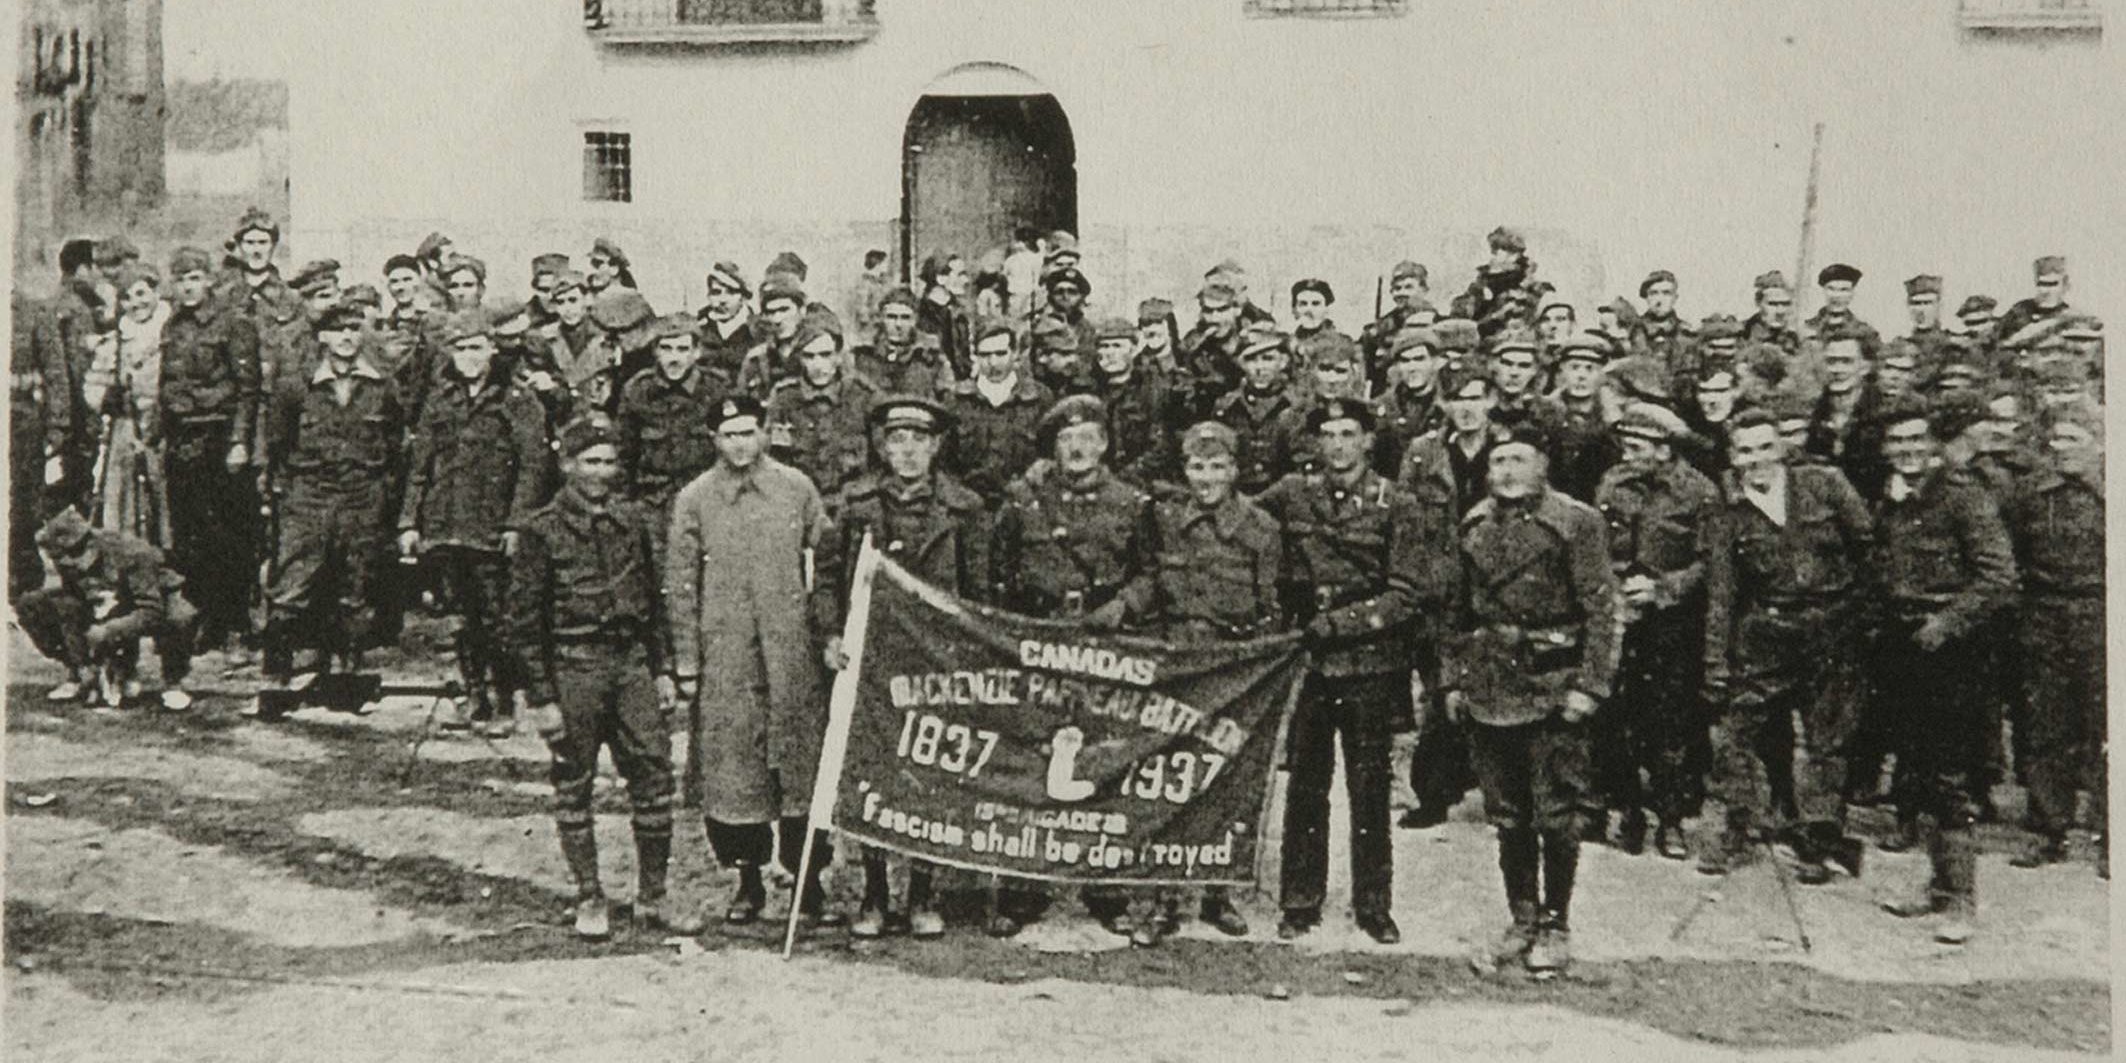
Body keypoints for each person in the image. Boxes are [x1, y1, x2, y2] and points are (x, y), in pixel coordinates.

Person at [1257, 397, 1443, 945]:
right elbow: (1242, 515)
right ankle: (1299, 900)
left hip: (1370, 663)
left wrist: (1341, 624)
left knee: (1369, 790)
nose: (1337, 445)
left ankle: (1373, 904)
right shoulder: (1293, 493)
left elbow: (1407, 594)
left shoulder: (1397, 503)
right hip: (1311, 665)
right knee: (1307, 788)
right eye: (1328, 435)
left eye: (1348, 434)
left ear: (1368, 441)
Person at [507, 414, 698, 941]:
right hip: (574, 668)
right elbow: (522, 624)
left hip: (631, 664)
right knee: (574, 784)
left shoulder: (634, 520)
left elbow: (653, 600)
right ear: (567, 464)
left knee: (654, 779)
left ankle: (653, 897)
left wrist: (661, 668)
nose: (600, 472)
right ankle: (590, 895)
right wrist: (541, 697)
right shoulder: (540, 530)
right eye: (589, 461)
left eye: (609, 461)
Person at [1443, 417, 1619, 976]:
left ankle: (1556, 923)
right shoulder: (1473, 526)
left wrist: (1591, 686)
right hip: (1492, 688)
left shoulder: (1576, 523)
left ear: (1543, 466)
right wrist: (1452, 680)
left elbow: (1601, 609)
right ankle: (1521, 919)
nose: (1508, 471)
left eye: (1520, 459)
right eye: (1499, 461)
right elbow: (1456, 613)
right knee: (1509, 815)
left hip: (1553, 684)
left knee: (1557, 815)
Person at [817, 397, 990, 940]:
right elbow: (825, 579)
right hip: (872, 658)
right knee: (873, 769)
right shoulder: (855, 505)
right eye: (897, 440)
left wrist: (974, 653)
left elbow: (980, 592)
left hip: (938, 661)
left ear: (936, 446)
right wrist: (829, 634)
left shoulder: (964, 509)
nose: (908, 452)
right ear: (882, 447)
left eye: (919, 440)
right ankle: (873, 892)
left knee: (930, 774)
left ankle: (921, 892)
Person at [666, 395, 842, 929]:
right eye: (728, 435)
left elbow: (829, 559)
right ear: (714, 441)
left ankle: (808, 882)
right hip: (727, 658)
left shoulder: (796, 488)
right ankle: (747, 881)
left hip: (793, 655)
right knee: (732, 773)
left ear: (765, 432)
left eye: (748, 432)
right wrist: (688, 661)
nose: (740, 444)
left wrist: (828, 632)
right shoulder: (695, 499)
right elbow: (680, 586)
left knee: (799, 767)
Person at [988, 395, 1156, 937]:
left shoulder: (1132, 502)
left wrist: (1125, 605)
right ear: (1052, 449)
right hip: (1040, 643)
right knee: (1035, 758)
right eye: (1065, 441)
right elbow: (1000, 574)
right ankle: (1024, 886)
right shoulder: (1023, 503)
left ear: (1105, 444)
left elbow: (1152, 572)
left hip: (1107, 646)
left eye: (1088, 438)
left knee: (1102, 759)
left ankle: (1104, 886)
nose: (1078, 449)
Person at [1118, 420, 1282, 946]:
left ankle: (1217, 891)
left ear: (1235, 471)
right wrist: (1124, 607)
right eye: (1195, 467)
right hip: (1179, 664)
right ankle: (1163, 895)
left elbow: (1272, 607)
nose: (1205, 478)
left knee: (1226, 779)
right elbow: (1149, 579)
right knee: (1170, 774)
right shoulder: (1164, 520)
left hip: (1233, 671)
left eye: (1216, 467)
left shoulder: (1261, 528)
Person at [1701, 408, 1873, 883]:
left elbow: (1867, 549)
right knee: (1738, 734)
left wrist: (1856, 618)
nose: (1755, 460)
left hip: (1831, 631)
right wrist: (1716, 661)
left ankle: (1820, 841)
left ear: (1781, 448)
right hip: (1766, 633)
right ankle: (1739, 823)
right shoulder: (1727, 514)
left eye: (1763, 447)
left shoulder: (1825, 485)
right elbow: (1722, 591)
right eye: (1744, 451)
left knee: (1827, 741)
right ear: (1733, 457)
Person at [1870, 396, 2016, 945]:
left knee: (1952, 777)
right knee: (1921, 772)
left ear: (1933, 443)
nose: (1906, 451)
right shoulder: (1894, 500)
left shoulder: (1962, 496)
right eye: (1896, 443)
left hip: (1952, 655)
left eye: (1915, 441)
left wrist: (1945, 625)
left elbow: (1998, 577)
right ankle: (1936, 888)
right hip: (1906, 649)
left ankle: (1962, 902)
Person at [398, 312, 551, 735]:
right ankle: (474, 697)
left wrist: (517, 524)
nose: (468, 356)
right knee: (460, 618)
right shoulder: (440, 399)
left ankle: (505, 702)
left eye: (476, 347)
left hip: (490, 528)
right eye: (460, 348)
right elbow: (419, 466)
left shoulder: (515, 399)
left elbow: (532, 468)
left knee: (497, 617)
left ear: (491, 349)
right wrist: (409, 521)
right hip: (445, 526)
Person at [258, 306, 406, 704]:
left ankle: (348, 671)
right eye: (337, 329)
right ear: (321, 336)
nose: (346, 336)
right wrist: (284, 492)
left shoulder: (382, 385)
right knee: (292, 582)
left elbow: (394, 444)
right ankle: (278, 672)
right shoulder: (296, 386)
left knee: (355, 585)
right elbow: (277, 443)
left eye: (354, 329)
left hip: (362, 494)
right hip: (309, 493)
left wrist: (380, 491)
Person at [1594, 404, 1718, 859]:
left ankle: (1671, 819)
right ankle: (1628, 811)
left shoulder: (1699, 493)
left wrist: (1664, 588)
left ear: (1665, 450)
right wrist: (1616, 591)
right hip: (1622, 616)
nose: (1629, 455)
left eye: (1639, 447)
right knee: (1618, 719)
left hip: (1672, 625)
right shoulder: (1613, 483)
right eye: (1626, 446)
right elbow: (1596, 546)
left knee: (1669, 723)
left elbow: (1710, 562)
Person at [2004, 405, 2105, 876]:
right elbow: (2012, 551)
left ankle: (2110, 833)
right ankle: (2049, 827)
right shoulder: (2032, 494)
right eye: (2057, 439)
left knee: (2106, 728)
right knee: (2046, 724)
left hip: (2102, 612)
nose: (2061, 448)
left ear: (2099, 442)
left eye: (2073, 438)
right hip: (2044, 614)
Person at [159, 245, 264, 660]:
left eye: (195, 278)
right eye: (181, 280)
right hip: (182, 443)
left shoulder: (233, 324)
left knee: (230, 537)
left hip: (219, 441)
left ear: (208, 280)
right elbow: (167, 384)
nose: (187, 287)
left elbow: (247, 389)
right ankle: (208, 622)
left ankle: (237, 625)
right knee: (190, 538)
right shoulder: (174, 326)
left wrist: (239, 442)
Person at [19, 507, 198, 711]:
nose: (69, 563)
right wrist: (82, 654)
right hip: (113, 600)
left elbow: (151, 610)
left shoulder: (131, 552)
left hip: (156, 596)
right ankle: (81, 673)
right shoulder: (65, 552)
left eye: (73, 556)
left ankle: (173, 681)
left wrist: (110, 630)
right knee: (32, 604)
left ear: (89, 543)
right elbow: (73, 599)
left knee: (180, 616)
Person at [616, 314, 729, 541]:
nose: (674, 358)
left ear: (696, 352)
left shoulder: (717, 389)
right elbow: (624, 455)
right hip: (654, 507)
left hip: (707, 503)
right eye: (666, 349)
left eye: (682, 349)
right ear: (656, 352)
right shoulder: (638, 391)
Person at [82, 263, 172, 546]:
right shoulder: (118, 338)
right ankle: (128, 559)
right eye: (128, 297)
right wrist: (109, 397)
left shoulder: (171, 331)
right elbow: (93, 387)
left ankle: (168, 558)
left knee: (164, 494)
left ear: (156, 292)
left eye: (142, 294)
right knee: (125, 500)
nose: (137, 303)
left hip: (165, 427)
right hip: (127, 427)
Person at [765, 306, 881, 505]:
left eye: (825, 355)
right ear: (800, 358)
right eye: (809, 356)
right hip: (799, 504)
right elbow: (771, 462)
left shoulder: (863, 396)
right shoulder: (784, 397)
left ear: (838, 356)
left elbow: (881, 464)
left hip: (853, 505)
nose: (818, 365)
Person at [941, 324, 1053, 507]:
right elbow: (943, 462)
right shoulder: (956, 401)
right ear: (974, 355)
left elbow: (1050, 456)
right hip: (969, 505)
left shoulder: (1039, 398)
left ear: (1015, 354)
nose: (993, 363)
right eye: (985, 355)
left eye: (1001, 354)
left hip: (1023, 504)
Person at [1210, 327, 1304, 496]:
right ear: (1241, 363)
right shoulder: (1226, 407)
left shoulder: (1298, 406)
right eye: (1251, 360)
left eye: (1268, 359)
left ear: (1283, 362)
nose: (1260, 368)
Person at [1090, 315, 1178, 486]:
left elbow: (1160, 447)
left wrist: (1123, 479)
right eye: (1104, 346)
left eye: (1117, 346)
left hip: (1144, 481)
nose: (1110, 353)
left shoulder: (1152, 388)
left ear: (1134, 349)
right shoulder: (1093, 390)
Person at [1804, 334, 1889, 500]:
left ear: (1865, 367)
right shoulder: (1813, 414)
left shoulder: (1884, 414)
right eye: (1831, 361)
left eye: (1846, 361)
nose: (1837, 370)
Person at [1546, 334, 1619, 503]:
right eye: (1574, 367)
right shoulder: (1544, 414)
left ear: (1602, 375)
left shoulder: (1614, 419)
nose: (1581, 376)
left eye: (1590, 368)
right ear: (1561, 372)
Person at [1452, 227, 1553, 339]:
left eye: (1509, 251)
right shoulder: (1478, 288)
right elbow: (1462, 321)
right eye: (1495, 250)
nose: (1495, 256)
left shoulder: (1535, 289)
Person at [852, 287, 951, 398]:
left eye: (905, 318)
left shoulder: (931, 358)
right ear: (881, 318)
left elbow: (947, 399)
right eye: (891, 317)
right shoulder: (864, 355)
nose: (898, 324)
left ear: (915, 320)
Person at [735, 277, 808, 399]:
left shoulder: (820, 353)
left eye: (784, 310)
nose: (777, 319)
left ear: (802, 310)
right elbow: (741, 401)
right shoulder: (756, 358)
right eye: (771, 312)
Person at [696, 260, 757, 381]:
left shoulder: (757, 331)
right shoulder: (699, 330)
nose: (722, 300)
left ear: (743, 297)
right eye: (716, 292)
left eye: (731, 292)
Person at [1805, 263, 1881, 357]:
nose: (1836, 296)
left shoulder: (1864, 332)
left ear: (1852, 293)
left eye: (1844, 290)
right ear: (1823, 290)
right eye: (1831, 289)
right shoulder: (1807, 327)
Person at [1628, 270, 1696, 375]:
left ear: (1675, 298)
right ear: (1646, 297)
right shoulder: (1632, 332)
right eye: (1653, 293)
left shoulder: (1688, 334)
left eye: (1666, 293)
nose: (1659, 300)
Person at [916, 251, 971, 379]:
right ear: (941, 278)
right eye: (960, 274)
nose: (966, 280)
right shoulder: (922, 315)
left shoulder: (957, 311)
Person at [1994, 255, 2071, 345]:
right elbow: (1994, 342)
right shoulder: (2020, 311)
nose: (2045, 291)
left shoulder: (2071, 317)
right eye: (2042, 284)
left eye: (2052, 284)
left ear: (2065, 286)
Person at [1740, 271, 1801, 357]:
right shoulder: (1742, 335)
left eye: (1785, 304)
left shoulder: (1796, 340)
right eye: (1773, 304)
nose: (1780, 311)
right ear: (1758, 303)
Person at [848, 248, 891, 340]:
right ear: (878, 263)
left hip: (881, 323)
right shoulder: (866, 282)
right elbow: (862, 305)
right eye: (884, 262)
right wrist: (867, 321)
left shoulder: (882, 281)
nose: (887, 266)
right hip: (870, 325)